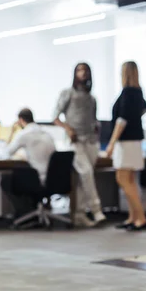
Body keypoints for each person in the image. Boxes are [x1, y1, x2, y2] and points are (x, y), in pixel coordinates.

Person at [53, 63, 105, 228]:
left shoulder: (91, 98)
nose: (82, 73)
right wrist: (68, 129)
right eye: (79, 70)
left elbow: (94, 119)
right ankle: (96, 209)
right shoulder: (67, 93)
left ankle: (79, 214)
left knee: (84, 179)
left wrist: (96, 129)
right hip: (74, 141)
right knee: (86, 172)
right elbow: (55, 116)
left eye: (85, 70)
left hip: (90, 140)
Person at [106, 61, 146, 231]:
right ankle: (133, 217)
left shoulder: (127, 93)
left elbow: (121, 121)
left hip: (126, 142)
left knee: (123, 179)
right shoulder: (138, 92)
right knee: (129, 180)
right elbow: (145, 109)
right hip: (136, 140)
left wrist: (111, 143)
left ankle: (141, 217)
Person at [1, 108, 56, 218]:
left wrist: (12, 132)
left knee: (6, 180)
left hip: (37, 178)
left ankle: (23, 212)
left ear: (21, 120)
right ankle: (33, 210)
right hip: (53, 178)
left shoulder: (24, 133)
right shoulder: (46, 132)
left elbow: (6, 154)